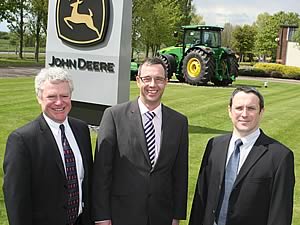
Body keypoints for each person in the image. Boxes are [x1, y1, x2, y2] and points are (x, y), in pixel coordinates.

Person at [92, 57, 189, 225]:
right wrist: (101, 216)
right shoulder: (114, 116)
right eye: (147, 79)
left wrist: (176, 216)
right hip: (121, 215)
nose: (153, 85)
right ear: (138, 81)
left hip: (161, 216)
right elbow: (102, 172)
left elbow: (180, 173)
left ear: (166, 82)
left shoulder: (179, 122)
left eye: (159, 79)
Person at [189, 86, 295, 225]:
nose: (244, 114)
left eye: (251, 108)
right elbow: (201, 198)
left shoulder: (279, 156)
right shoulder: (214, 145)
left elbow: (280, 213)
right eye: (239, 108)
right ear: (230, 111)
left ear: (261, 112)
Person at [3, 67, 93, 225]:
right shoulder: (22, 140)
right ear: (39, 98)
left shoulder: (81, 129)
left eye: (64, 95)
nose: (59, 102)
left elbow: (86, 182)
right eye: (51, 96)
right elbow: (16, 199)